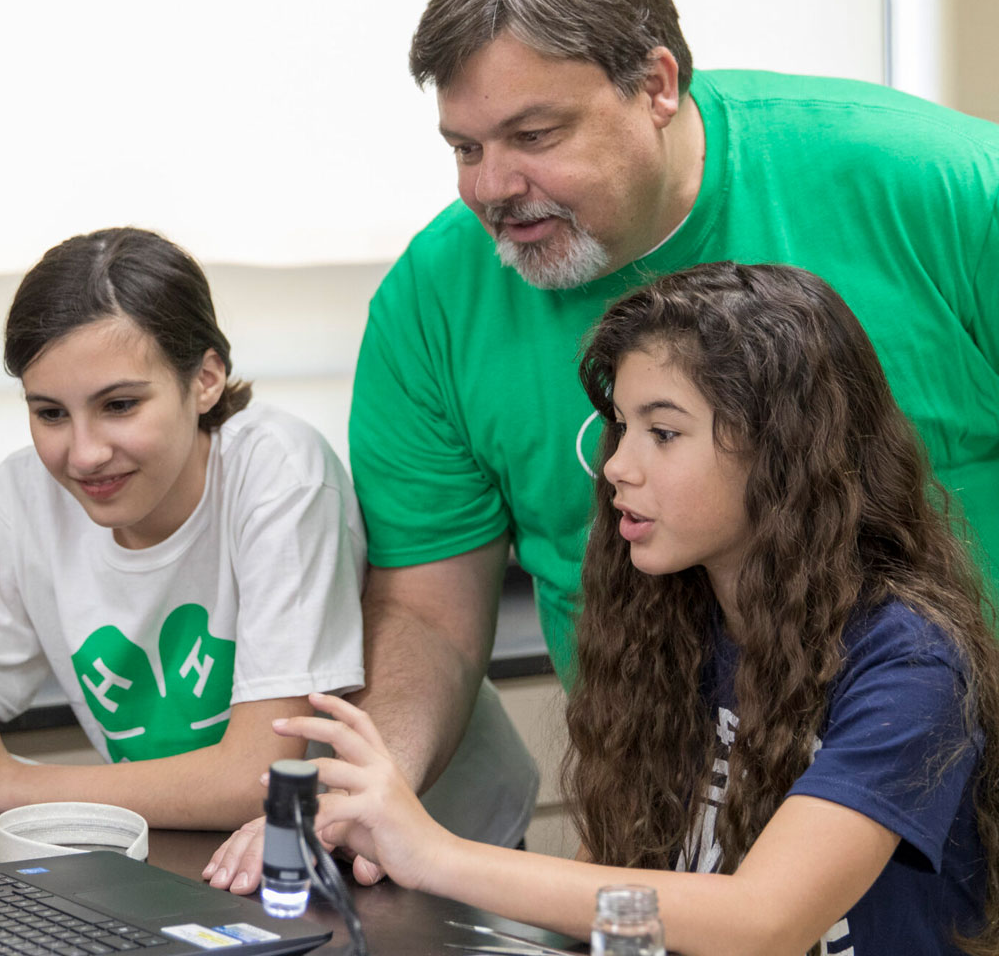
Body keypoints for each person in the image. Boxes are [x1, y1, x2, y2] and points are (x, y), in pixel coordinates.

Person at [340, 0, 999, 870]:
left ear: (654, 84)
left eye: (533, 132)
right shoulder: (433, 304)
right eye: (465, 147)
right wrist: (375, 795)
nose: (491, 187)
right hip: (672, 826)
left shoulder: (938, 190)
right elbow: (431, 613)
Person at [213, 262, 999, 956]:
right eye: (621, 427)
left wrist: (433, 852)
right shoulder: (670, 624)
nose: (616, 465)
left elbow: (764, 923)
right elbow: (611, 886)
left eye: (663, 432)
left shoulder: (910, 663)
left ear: (785, 449)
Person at [0, 227, 365, 829]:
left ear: (205, 379)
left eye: (120, 405)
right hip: (198, 850)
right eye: (50, 412)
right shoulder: (20, 499)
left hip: (399, 848)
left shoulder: (281, 477)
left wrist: (8, 782)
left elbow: (257, 782)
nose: (83, 455)